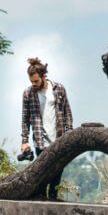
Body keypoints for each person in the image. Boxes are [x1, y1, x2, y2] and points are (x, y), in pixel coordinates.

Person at [20, 57, 73, 199]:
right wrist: (24, 141)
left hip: (59, 139)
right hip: (40, 142)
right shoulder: (28, 93)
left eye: (36, 81)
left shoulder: (59, 89)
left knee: (56, 176)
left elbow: (67, 112)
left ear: (44, 76)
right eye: (31, 81)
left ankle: (53, 203)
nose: (34, 84)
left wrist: (70, 134)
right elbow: (25, 119)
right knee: (42, 177)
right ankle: (42, 207)